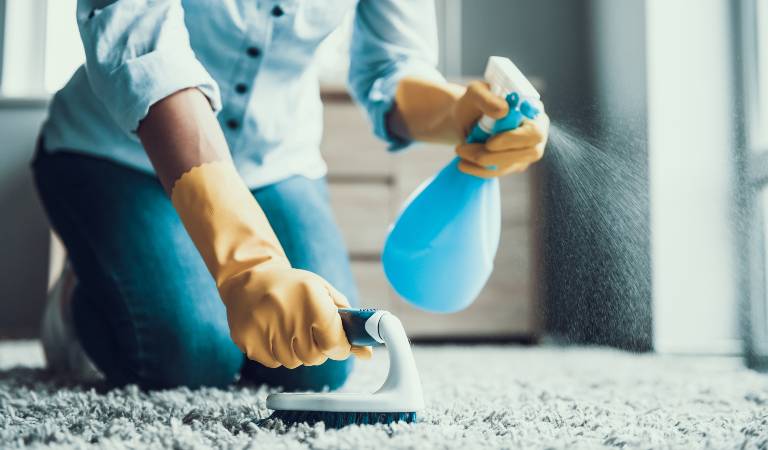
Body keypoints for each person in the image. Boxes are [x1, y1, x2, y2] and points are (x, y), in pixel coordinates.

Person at [33, 0, 550, 390]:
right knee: (190, 356)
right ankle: (82, 296)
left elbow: (393, 66)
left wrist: (456, 111)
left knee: (321, 358)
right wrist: (247, 261)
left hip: (274, 161)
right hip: (115, 152)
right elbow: (140, 39)